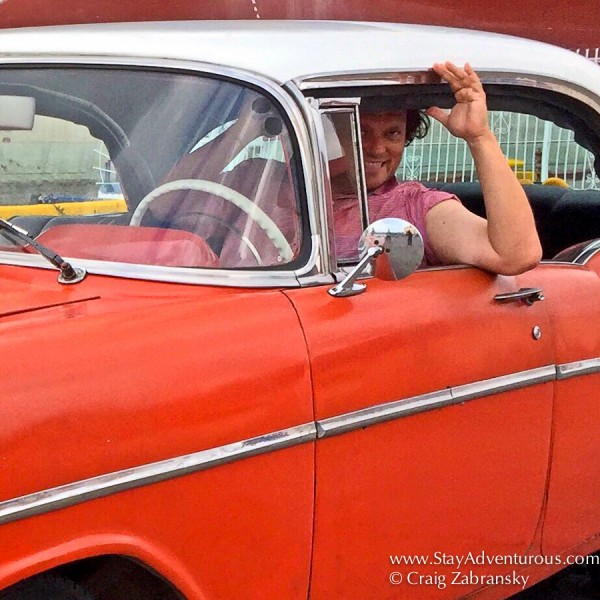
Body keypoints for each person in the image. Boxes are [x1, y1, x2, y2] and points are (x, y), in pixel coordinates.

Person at [331, 61, 542, 275]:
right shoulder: (299, 194)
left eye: (392, 133)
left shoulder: (414, 206)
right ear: (331, 135)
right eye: (361, 132)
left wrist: (479, 138)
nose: (377, 149)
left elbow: (516, 255)